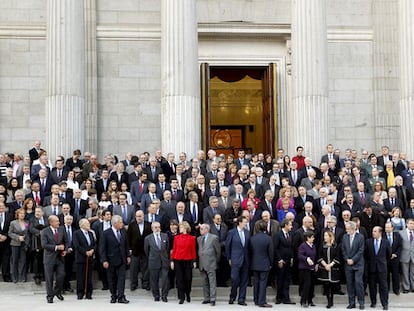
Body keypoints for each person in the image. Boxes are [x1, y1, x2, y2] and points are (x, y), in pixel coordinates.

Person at [100, 215, 131, 304]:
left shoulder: (123, 231)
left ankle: (121, 296)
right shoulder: (106, 233)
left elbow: (126, 244)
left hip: (122, 259)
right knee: (112, 279)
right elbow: (102, 248)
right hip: (110, 260)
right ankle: (113, 295)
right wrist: (104, 260)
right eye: (120, 222)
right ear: (115, 223)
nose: (122, 224)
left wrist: (128, 256)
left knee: (121, 279)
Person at [40, 215, 68, 303]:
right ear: (51, 222)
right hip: (49, 258)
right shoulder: (44, 231)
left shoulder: (61, 229)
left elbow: (66, 241)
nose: (59, 223)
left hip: (59, 258)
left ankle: (57, 291)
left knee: (61, 275)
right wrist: (56, 247)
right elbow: (44, 245)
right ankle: (49, 295)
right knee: (49, 278)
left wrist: (65, 250)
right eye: (56, 221)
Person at [225, 215, 250, 306]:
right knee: (235, 279)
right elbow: (228, 246)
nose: (246, 224)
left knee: (244, 280)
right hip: (235, 259)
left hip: (245, 260)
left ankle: (241, 299)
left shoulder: (247, 233)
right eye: (244, 222)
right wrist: (229, 258)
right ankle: (232, 296)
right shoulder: (232, 232)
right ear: (239, 223)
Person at [170, 221, 197, 304]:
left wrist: (194, 261)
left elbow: (193, 250)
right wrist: (172, 261)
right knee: (179, 279)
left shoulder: (192, 238)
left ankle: (187, 293)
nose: (179, 229)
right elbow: (174, 249)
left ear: (185, 228)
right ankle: (181, 297)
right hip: (177, 260)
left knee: (188, 279)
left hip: (188, 260)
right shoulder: (176, 238)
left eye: (181, 227)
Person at [365, 226, 391, 310]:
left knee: (383, 286)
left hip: (382, 267)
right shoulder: (368, 242)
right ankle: (373, 302)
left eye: (375, 231)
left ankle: (385, 303)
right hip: (372, 267)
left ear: (380, 233)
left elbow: (388, 254)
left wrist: (383, 262)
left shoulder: (386, 242)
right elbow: (366, 254)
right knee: (372, 286)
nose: (373, 233)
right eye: (373, 231)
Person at [144, 221, 170, 302]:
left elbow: (167, 248)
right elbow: (146, 250)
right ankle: (156, 295)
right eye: (155, 227)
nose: (157, 229)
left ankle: (164, 295)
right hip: (153, 261)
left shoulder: (165, 236)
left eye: (158, 227)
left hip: (164, 261)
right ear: (152, 228)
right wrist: (152, 257)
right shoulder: (148, 238)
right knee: (154, 280)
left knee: (165, 279)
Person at [250, 220, 273, 308]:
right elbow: (271, 253)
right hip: (264, 263)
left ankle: (256, 299)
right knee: (263, 283)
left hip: (254, 263)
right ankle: (262, 301)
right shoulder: (268, 238)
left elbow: (250, 251)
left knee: (256, 282)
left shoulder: (253, 238)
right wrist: (270, 263)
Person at [127, 210, 152, 291]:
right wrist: (129, 249)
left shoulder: (149, 224)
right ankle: (133, 284)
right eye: (137, 216)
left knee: (145, 268)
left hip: (145, 251)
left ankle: (145, 284)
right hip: (135, 251)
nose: (139, 218)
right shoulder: (131, 225)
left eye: (140, 216)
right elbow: (128, 238)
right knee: (134, 269)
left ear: (143, 216)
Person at [342, 221, 365, 310]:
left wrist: (353, 259)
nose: (346, 230)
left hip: (358, 264)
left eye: (347, 229)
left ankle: (361, 302)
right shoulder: (345, 237)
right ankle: (351, 303)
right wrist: (347, 259)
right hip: (348, 264)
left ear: (353, 229)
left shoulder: (360, 237)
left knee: (358, 282)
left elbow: (361, 250)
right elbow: (343, 249)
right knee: (349, 284)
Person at [197, 223, 221, 306]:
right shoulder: (199, 239)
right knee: (204, 282)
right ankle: (206, 298)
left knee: (212, 282)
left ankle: (213, 299)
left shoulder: (214, 238)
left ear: (207, 229)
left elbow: (218, 251)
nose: (200, 230)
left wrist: (215, 261)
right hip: (202, 263)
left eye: (202, 229)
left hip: (211, 262)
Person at [72, 218, 95, 300]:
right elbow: (76, 245)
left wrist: (92, 250)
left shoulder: (91, 233)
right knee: (81, 276)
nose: (89, 225)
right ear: (81, 225)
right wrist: (85, 252)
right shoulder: (76, 233)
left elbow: (94, 244)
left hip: (90, 258)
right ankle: (80, 292)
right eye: (87, 224)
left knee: (89, 276)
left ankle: (89, 292)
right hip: (81, 258)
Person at [317, 230, 341, 308]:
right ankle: (329, 301)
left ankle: (332, 300)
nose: (325, 237)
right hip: (324, 269)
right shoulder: (322, 245)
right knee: (326, 285)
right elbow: (320, 257)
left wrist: (330, 265)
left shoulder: (335, 246)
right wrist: (325, 265)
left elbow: (337, 257)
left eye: (326, 236)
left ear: (330, 237)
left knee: (332, 286)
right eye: (324, 236)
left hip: (333, 269)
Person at [273, 219, 295, 305]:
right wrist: (279, 259)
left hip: (288, 260)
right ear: (285, 225)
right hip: (281, 260)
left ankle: (286, 298)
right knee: (280, 279)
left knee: (287, 279)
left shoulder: (290, 234)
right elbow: (275, 248)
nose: (291, 227)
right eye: (290, 225)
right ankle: (279, 297)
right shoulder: (278, 235)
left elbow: (291, 247)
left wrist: (292, 257)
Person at [8, 208, 29, 283]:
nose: (22, 215)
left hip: (23, 244)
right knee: (15, 260)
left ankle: (23, 276)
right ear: (17, 214)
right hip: (15, 244)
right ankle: (14, 277)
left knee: (23, 260)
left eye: (23, 213)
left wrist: (26, 241)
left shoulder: (27, 222)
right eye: (21, 213)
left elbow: (27, 233)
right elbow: (10, 233)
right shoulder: (13, 223)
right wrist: (18, 237)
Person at [298, 230, 317, 308]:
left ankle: (310, 300)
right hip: (304, 268)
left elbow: (314, 256)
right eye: (312, 237)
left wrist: (316, 265)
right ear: (307, 238)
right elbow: (299, 255)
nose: (313, 238)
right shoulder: (303, 246)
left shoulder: (313, 246)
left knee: (311, 284)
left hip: (312, 268)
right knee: (306, 284)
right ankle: (303, 300)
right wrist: (306, 259)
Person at [383, 222, 402, 295]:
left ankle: (396, 289)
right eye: (385, 227)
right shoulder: (383, 235)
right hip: (385, 258)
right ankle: (386, 289)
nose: (386, 229)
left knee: (395, 275)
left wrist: (395, 254)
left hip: (395, 258)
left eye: (388, 227)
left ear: (392, 228)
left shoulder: (397, 235)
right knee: (386, 274)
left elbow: (400, 246)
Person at [399, 218, 414, 294]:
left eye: (413, 224)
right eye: (411, 223)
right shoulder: (401, 233)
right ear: (406, 224)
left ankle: (413, 286)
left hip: (413, 255)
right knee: (405, 272)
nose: (412, 225)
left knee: (413, 272)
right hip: (404, 254)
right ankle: (406, 287)